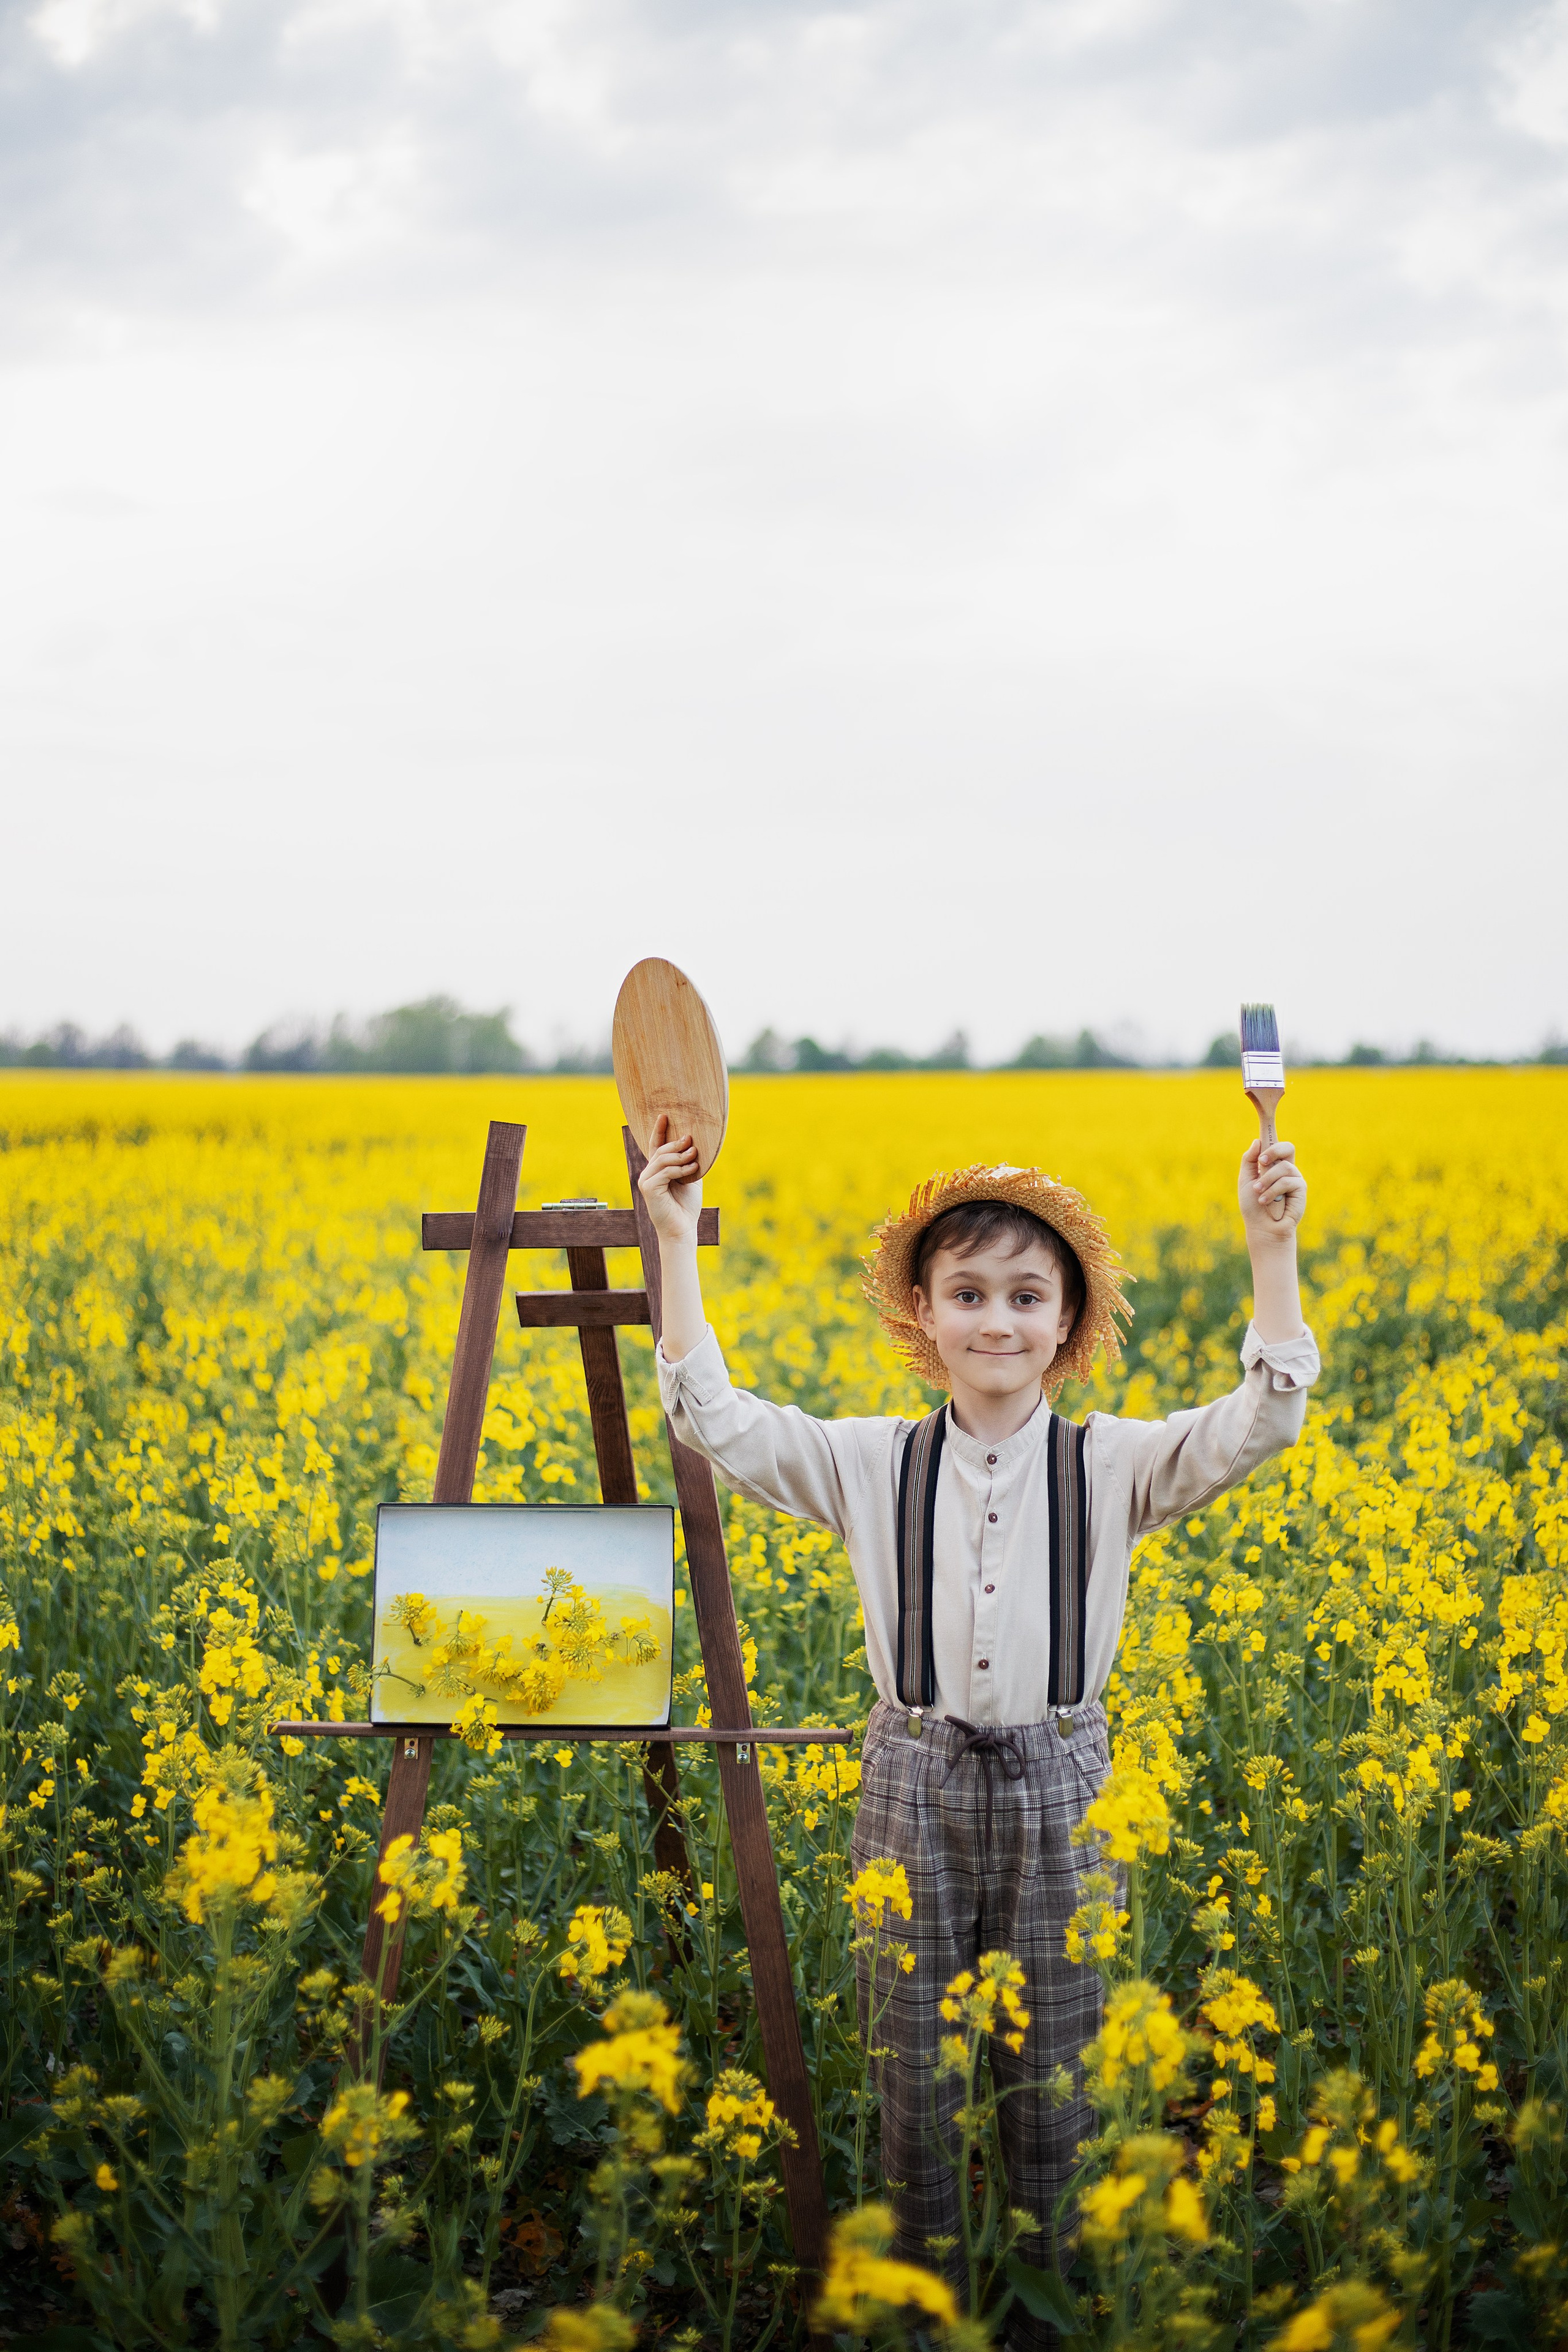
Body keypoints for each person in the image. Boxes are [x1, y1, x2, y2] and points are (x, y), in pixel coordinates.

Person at [638, 1117, 1317, 2323]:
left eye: (1024, 1297)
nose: (995, 1321)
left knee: (1058, 2087)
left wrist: (1271, 1247)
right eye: (966, 1295)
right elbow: (715, 1421)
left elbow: (1260, 1421)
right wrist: (675, 1238)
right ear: (922, 1313)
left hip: (1064, 1784)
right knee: (914, 2088)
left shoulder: (1114, 1463)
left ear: (1066, 1322)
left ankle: (1049, 2316)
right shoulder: (867, 1462)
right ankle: (928, 2320)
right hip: (913, 1780)